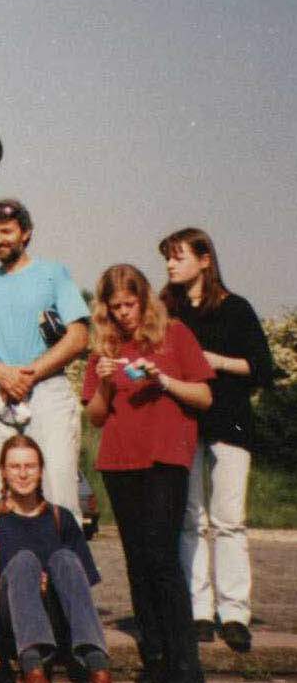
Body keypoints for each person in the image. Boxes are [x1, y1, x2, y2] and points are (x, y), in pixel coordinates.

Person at [83, 264, 213, 683]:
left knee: (162, 557)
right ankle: (155, 658)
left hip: (165, 457)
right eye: (115, 306)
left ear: (144, 299)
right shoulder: (104, 347)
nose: (123, 313)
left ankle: (185, 664)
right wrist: (105, 383)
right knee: (137, 560)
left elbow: (204, 396)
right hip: (119, 460)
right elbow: (96, 417)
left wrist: (164, 379)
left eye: (130, 303)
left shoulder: (175, 333)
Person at [159, 227, 274, 651]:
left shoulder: (236, 308)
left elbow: (262, 368)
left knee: (229, 521)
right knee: (190, 520)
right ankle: (199, 611)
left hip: (230, 425)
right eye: (167, 258)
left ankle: (235, 613)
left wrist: (215, 361)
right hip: (183, 426)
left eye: (178, 256)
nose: (170, 265)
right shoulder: (167, 310)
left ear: (205, 259)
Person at [0, 199, 90, 512]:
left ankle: (63, 544)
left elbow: (78, 337)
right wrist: (1, 373)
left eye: (6, 231)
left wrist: (28, 374)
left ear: (26, 233)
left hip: (46, 389)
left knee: (58, 489)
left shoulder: (53, 273)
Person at [0, 435, 111, 683]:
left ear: (41, 471)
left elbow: (81, 583)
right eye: (15, 467)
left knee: (65, 558)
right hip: (11, 624)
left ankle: (97, 665)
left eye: (30, 466)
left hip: (57, 619)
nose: (23, 474)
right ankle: (33, 669)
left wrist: (51, 581)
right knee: (24, 562)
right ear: (3, 471)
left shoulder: (60, 517)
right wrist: (27, 580)